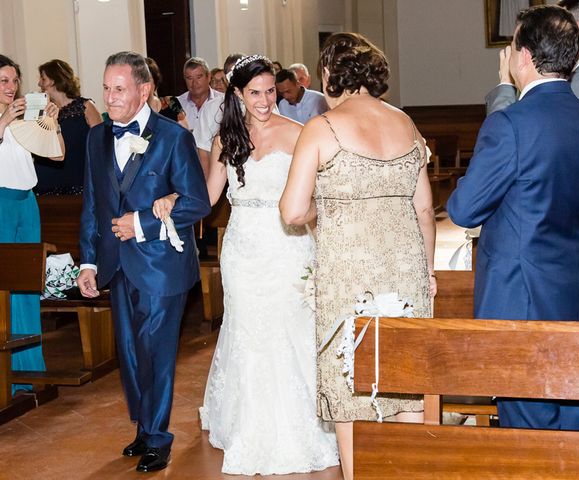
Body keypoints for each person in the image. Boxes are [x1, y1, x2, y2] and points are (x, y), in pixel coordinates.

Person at [153, 54, 339, 476]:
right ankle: (250, 424)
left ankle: (304, 424)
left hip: (288, 246)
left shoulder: (299, 133)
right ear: (237, 94)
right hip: (242, 249)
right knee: (248, 331)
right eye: (255, 92)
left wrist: (308, 220)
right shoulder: (226, 139)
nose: (265, 100)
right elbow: (208, 196)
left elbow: (320, 196)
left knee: (290, 330)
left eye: (270, 91)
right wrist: (173, 198)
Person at [280, 33, 437, 480]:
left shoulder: (322, 128)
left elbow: (292, 211)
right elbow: (424, 208)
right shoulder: (406, 123)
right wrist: (427, 272)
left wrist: (324, 207)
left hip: (349, 275)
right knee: (408, 384)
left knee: (351, 385)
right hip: (406, 271)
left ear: (328, 74)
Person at [448, 5, 579, 431]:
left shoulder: (511, 125)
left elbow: (464, 210)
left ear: (523, 56)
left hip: (522, 301)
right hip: (578, 296)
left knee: (527, 437)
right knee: (575, 428)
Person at [76, 51, 210, 473]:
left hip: (160, 264)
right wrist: (89, 263)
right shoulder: (97, 138)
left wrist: (143, 223)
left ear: (144, 90)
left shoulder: (173, 138)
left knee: (157, 352)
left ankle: (158, 436)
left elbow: (196, 202)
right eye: (106, 88)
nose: (110, 97)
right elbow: (94, 205)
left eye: (119, 89)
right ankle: (144, 427)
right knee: (131, 354)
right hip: (116, 265)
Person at [486, 0, 579, 270]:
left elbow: (514, 139)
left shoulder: (568, 88)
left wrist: (505, 86)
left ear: (578, 30)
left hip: (561, 234)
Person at [0, 54, 65, 394]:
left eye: (13, 81)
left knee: (27, 286)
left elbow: (57, 155)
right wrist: (3, 121)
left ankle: (28, 372)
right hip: (0, 203)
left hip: (27, 203)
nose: (10, 88)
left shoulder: (26, 116)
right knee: (3, 286)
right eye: (3, 81)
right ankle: (5, 377)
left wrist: (51, 123)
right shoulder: (6, 117)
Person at [34, 59, 102, 195]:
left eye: (43, 78)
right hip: (44, 186)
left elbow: (100, 145)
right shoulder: (41, 113)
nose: (39, 83)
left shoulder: (85, 106)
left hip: (77, 182)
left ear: (54, 79)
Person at [145, 57, 189, 129]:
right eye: (139, 80)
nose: (143, 85)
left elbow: (186, 135)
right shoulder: (134, 112)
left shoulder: (171, 103)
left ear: (155, 82)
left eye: (147, 79)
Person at [177, 57, 218, 129]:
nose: (194, 83)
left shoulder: (223, 102)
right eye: (190, 78)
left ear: (208, 77)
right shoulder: (177, 104)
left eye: (199, 77)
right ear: (184, 80)